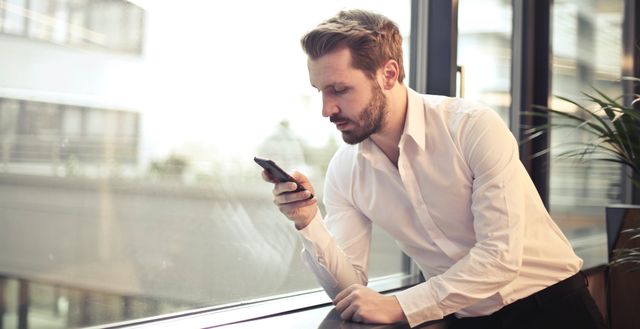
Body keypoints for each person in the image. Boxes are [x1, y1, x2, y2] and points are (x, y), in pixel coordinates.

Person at [261, 9, 608, 329]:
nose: (326, 109)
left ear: (388, 74)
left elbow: (500, 257)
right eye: (320, 91)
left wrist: (402, 305)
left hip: (553, 308)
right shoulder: (345, 171)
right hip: (464, 319)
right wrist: (307, 221)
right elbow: (351, 290)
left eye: (339, 89)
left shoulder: (472, 126)